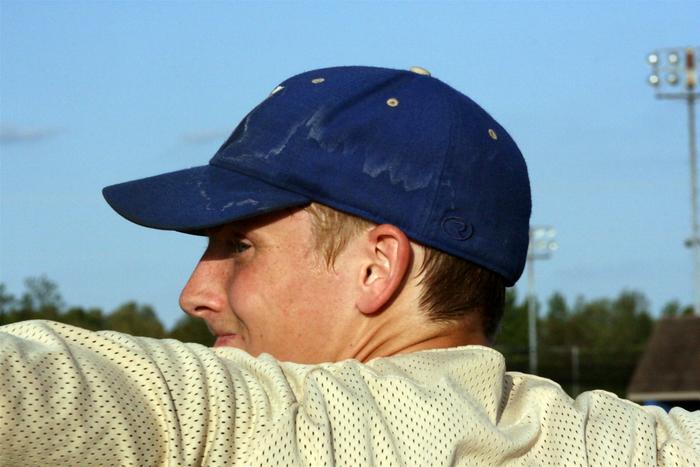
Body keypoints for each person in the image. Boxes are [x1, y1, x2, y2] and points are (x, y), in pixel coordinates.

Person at [1, 65, 698, 466]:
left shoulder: (266, 428)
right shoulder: (637, 446)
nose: (194, 291)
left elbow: (60, 387)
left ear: (377, 266)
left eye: (239, 245)